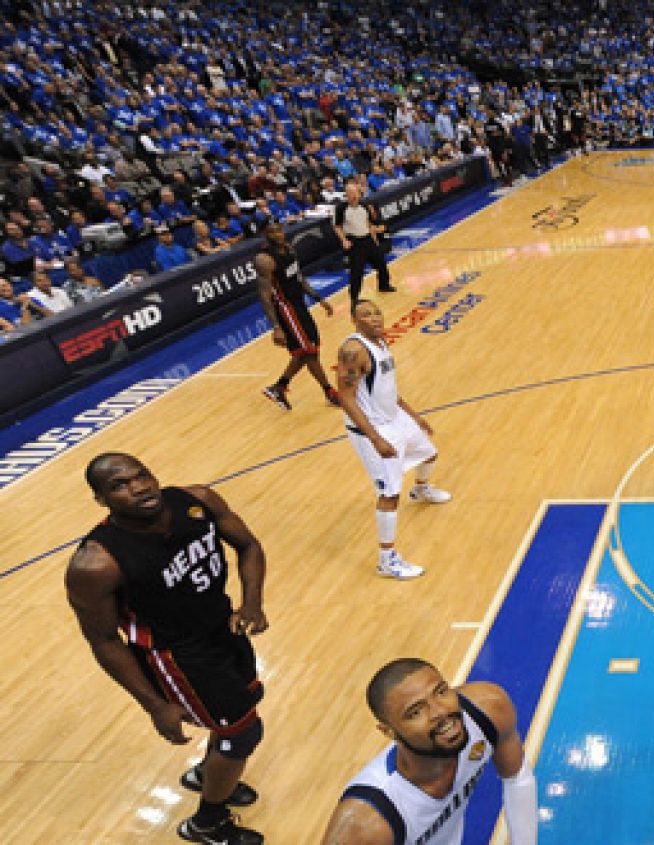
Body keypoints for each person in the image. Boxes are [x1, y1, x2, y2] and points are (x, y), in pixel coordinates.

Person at [65, 453, 269, 845]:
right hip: (178, 657)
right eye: (119, 485)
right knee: (243, 734)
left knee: (239, 712)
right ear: (101, 500)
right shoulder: (96, 564)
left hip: (223, 629)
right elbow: (104, 641)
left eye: (141, 476)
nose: (139, 487)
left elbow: (248, 546)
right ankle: (207, 822)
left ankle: (208, 775)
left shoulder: (197, 501)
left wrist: (252, 603)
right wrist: (154, 705)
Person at [319, 658, 538, 844]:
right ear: (389, 732)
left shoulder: (487, 710)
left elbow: (517, 778)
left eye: (441, 691)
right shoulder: (365, 823)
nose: (441, 712)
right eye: (415, 712)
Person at [336, 299, 451, 579]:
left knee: (429, 453)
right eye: (366, 314)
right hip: (372, 428)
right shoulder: (353, 351)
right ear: (355, 321)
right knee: (388, 495)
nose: (374, 318)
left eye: (377, 312)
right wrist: (375, 439)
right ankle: (386, 560)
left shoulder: (381, 342)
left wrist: (415, 416)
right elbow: (346, 398)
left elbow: (388, 389)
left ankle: (420, 488)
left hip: (394, 417)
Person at [255, 218, 339, 410]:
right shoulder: (264, 259)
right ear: (265, 235)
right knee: (309, 351)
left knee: (308, 349)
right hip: (285, 308)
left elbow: (299, 278)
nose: (278, 234)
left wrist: (319, 299)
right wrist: (276, 327)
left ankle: (279, 386)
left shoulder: (289, 249)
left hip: (299, 305)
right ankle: (329, 392)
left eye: (279, 230)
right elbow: (265, 296)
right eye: (272, 231)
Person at [335, 178, 394, 309]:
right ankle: (354, 298)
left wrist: (375, 241)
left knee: (381, 263)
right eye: (351, 193)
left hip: (368, 239)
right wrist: (344, 240)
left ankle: (384, 285)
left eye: (356, 192)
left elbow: (369, 224)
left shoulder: (365, 206)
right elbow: (337, 226)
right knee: (357, 272)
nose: (354, 196)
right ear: (346, 194)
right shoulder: (341, 208)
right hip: (355, 243)